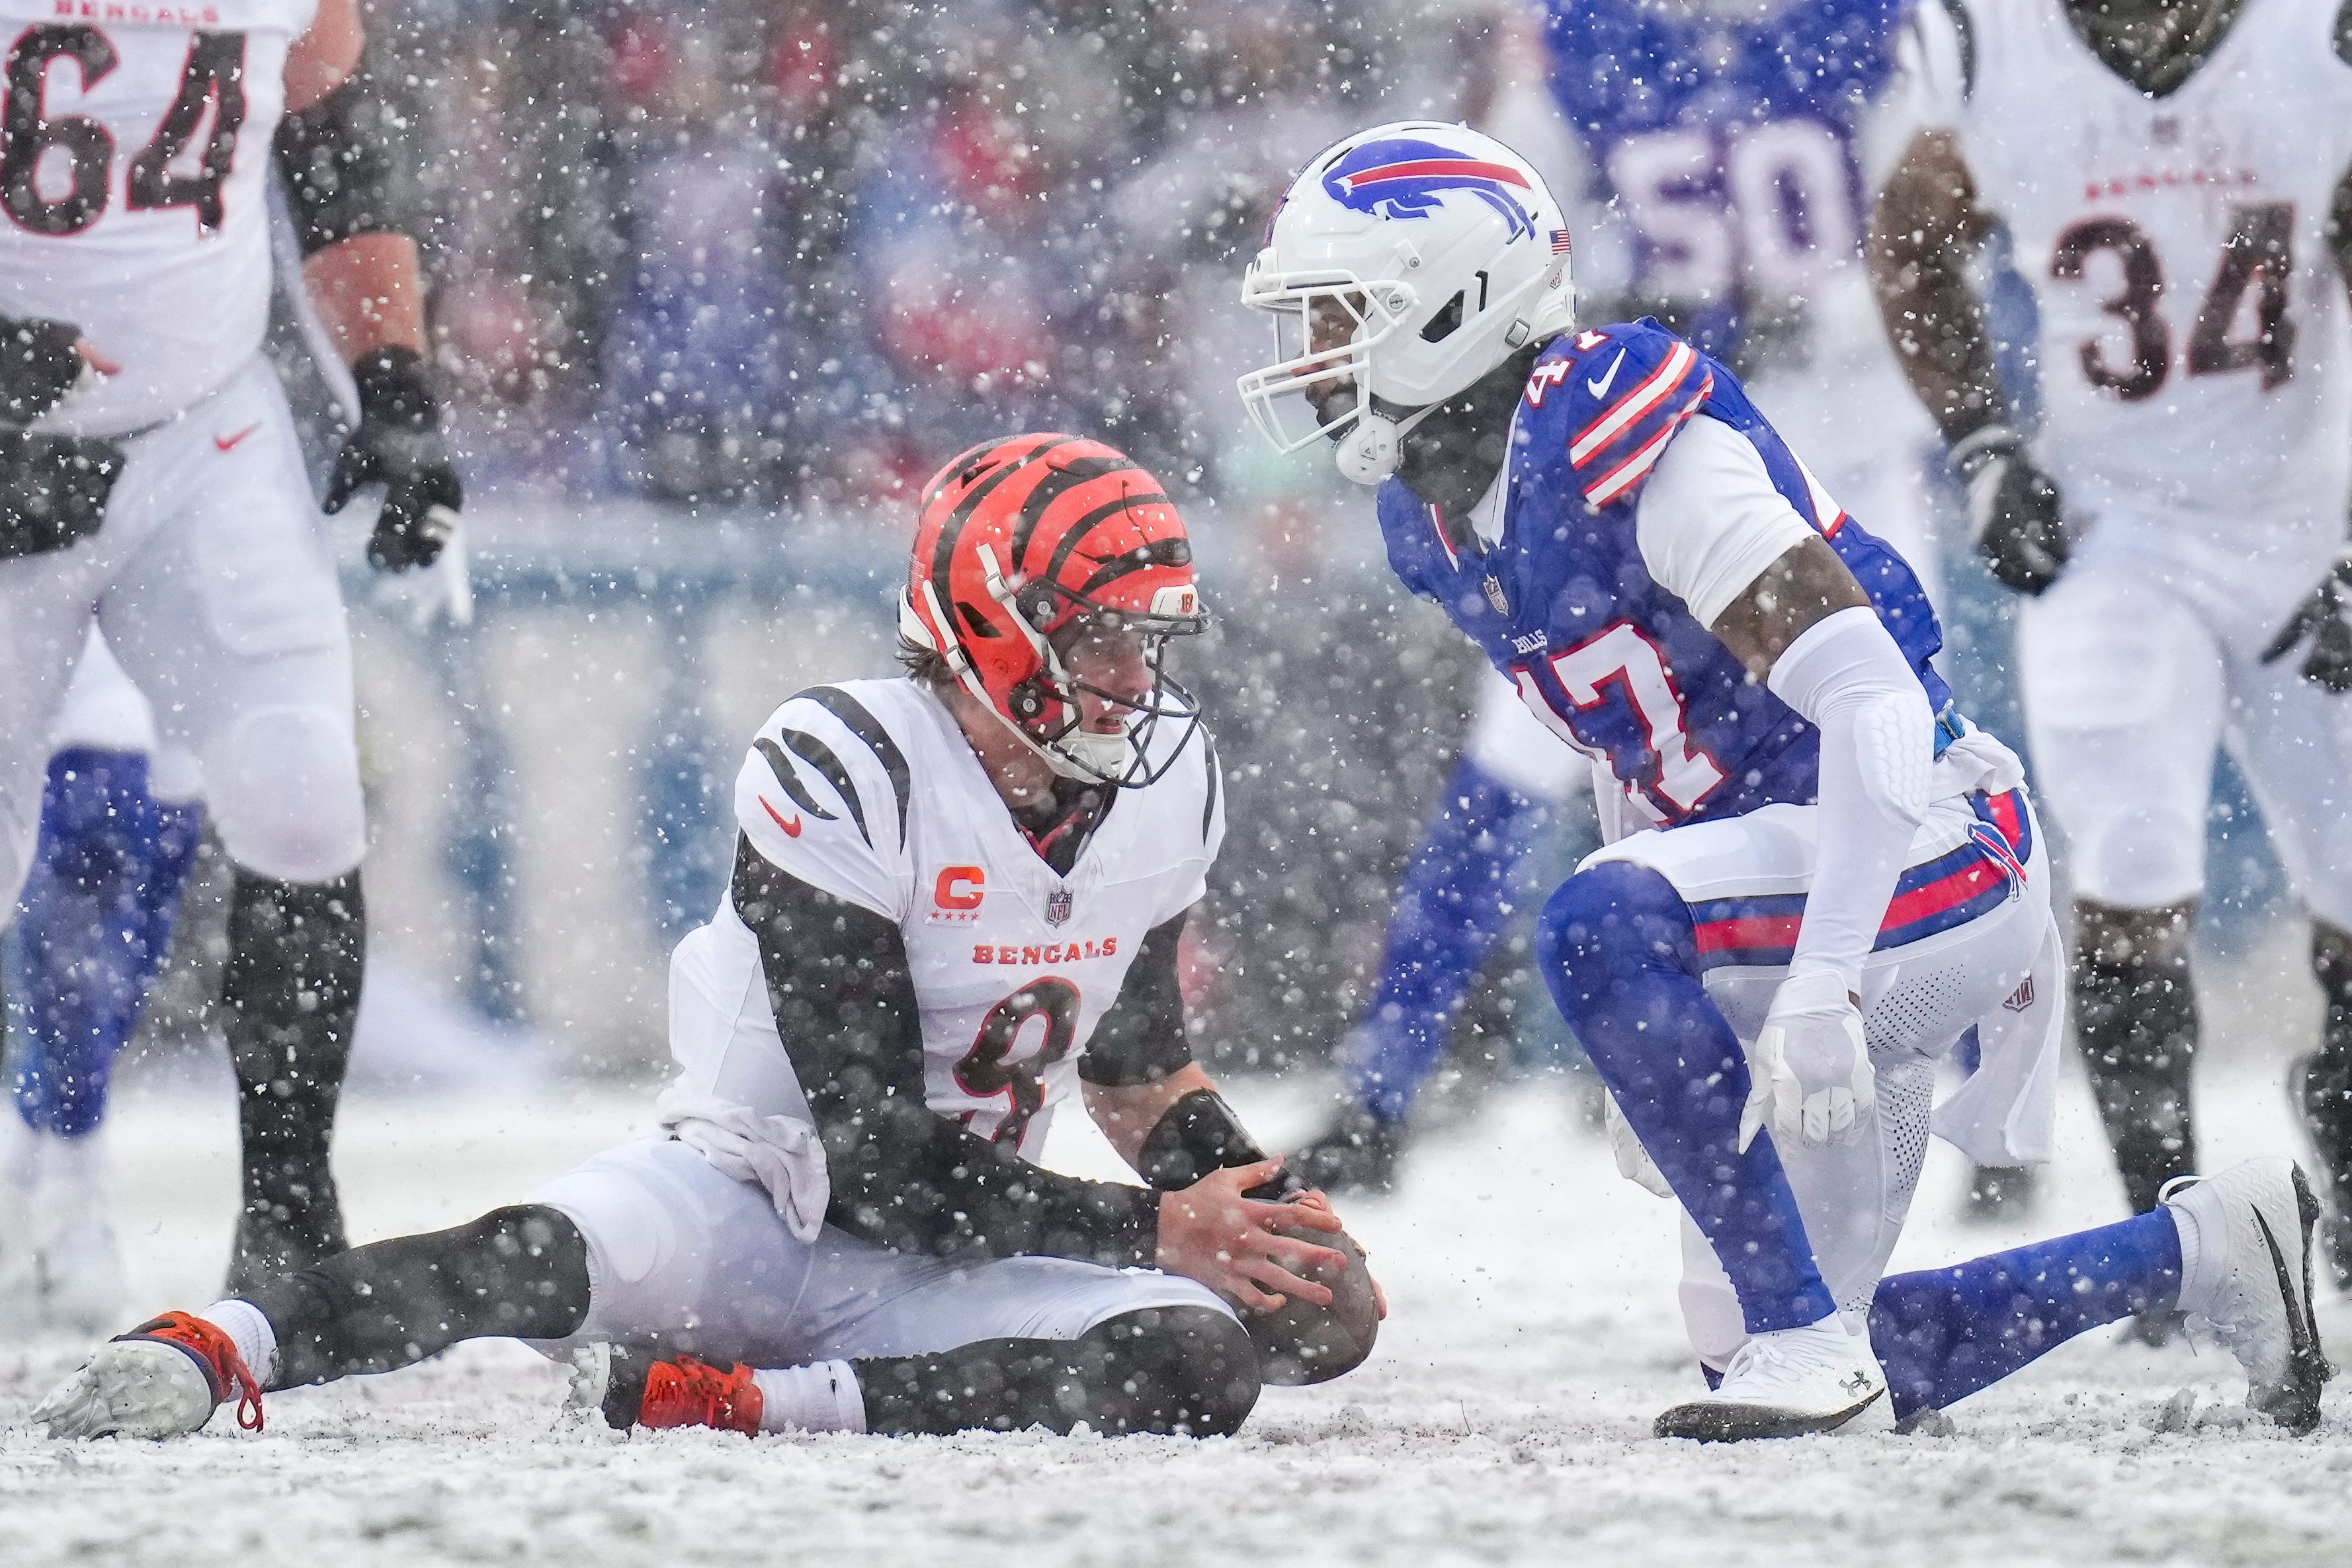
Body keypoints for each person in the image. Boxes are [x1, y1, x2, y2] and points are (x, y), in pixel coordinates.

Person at [1238, 120, 2329, 1438]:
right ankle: (2206, 1247)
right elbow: (1626, 752)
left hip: (1920, 840)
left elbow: (1867, 694)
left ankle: (1806, 1328)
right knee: (1794, 1350)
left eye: (1344, 312)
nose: (1311, 357)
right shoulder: (1430, 515)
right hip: (1785, 870)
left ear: (1453, 299)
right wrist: (1659, 1029)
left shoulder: (1616, 424)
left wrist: (1805, 982)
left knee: (1596, 929)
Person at [34, 435, 1379, 1443]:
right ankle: (214, 1345)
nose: (1135, 685)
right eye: (1099, 642)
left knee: (1205, 1363)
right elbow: (868, 1159)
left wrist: (1256, 1221)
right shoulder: (850, 761)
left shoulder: (1165, 780)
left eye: (1147, 645)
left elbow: (1136, 1069)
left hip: (953, 1253)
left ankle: (741, 1404)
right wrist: (1155, 1228)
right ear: (992, 619)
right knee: (519, 1260)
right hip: (754, 1195)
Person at [1292, 0, 1951, 1194]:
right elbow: (1504, 236)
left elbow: (1929, 230)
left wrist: (1822, 315)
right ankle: (1384, 1079)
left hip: (1839, 437)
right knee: (1517, 764)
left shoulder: (1868, 28)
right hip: (1640, 440)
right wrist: (1630, 316)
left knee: (1905, 723)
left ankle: (1950, 1072)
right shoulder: (1582, 38)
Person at [1869, 0, 2352, 1289]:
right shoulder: (1989, 44)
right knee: (2127, 875)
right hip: (2117, 528)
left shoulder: (2317, 39)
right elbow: (1912, 247)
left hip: (2304, 517)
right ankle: (2178, 1243)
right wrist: (1980, 445)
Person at [0, 0, 464, 1288]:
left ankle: (289, 1231)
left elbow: (328, 137)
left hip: (198, 431)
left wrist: (396, 385)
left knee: (302, 793)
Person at [1, 630, 204, 1331]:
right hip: (63, 679)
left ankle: (27, 1172)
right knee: (72, 963)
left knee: (117, 981)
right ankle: (71, 1191)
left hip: (171, 690)